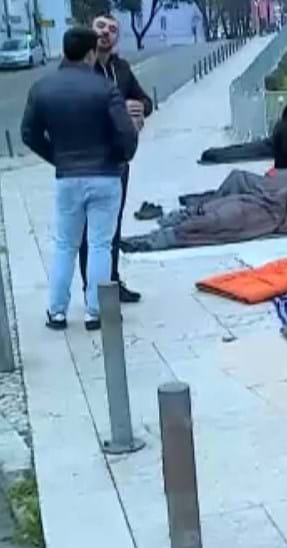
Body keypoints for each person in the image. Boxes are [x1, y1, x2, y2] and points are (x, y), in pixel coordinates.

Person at [21, 27, 138, 331]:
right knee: (100, 244)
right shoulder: (104, 89)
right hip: (105, 175)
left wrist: (56, 157)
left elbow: (28, 134)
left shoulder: (42, 88)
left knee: (65, 245)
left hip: (67, 177)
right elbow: (126, 132)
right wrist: (121, 156)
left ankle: (57, 312)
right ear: (90, 54)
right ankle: (94, 312)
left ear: (64, 51)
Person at [79, 13, 153, 305]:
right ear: (90, 31)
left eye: (112, 30)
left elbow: (145, 101)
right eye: (101, 27)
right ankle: (92, 288)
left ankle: (111, 281)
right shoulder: (82, 69)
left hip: (119, 160)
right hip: (89, 161)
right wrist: (120, 110)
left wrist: (139, 108)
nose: (106, 33)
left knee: (114, 225)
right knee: (90, 230)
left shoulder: (121, 69)